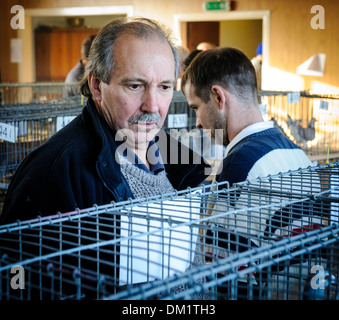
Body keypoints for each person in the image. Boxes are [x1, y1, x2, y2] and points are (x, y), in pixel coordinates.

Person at [1, 17, 210, 225]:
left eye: (164, 87)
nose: (153, 106)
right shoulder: (55, 170)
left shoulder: (175, 154)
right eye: (135, 86)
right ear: (96, 86)